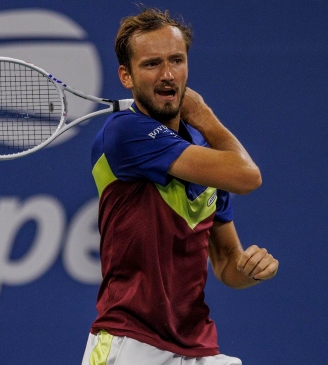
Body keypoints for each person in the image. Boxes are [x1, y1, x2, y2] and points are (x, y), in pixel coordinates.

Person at [81, 7, 279, 365]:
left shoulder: (205, 161)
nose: (168, 74)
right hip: (131, 345)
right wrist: (202, 114)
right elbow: (249, 176)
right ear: (126, 76)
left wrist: (250, 269)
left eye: (176, 60)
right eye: (152, 64)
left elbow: (224, 263)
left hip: (197, 348)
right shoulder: (124, 133)